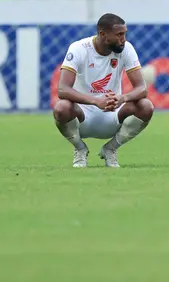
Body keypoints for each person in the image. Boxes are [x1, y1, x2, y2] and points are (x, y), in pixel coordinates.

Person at [53, 13, 154, 168]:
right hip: (83, 117)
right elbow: (62, 89)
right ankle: (80, 148)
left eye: (124, 34)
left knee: (146, 106)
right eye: (119, 34)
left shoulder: (126, 48)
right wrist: (96, 101)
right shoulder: (79, 48)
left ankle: (111, 149)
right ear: (102, 34)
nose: (123, 39)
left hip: (113, 113)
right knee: (61, 108)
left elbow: (142, 88)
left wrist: (122, 98)